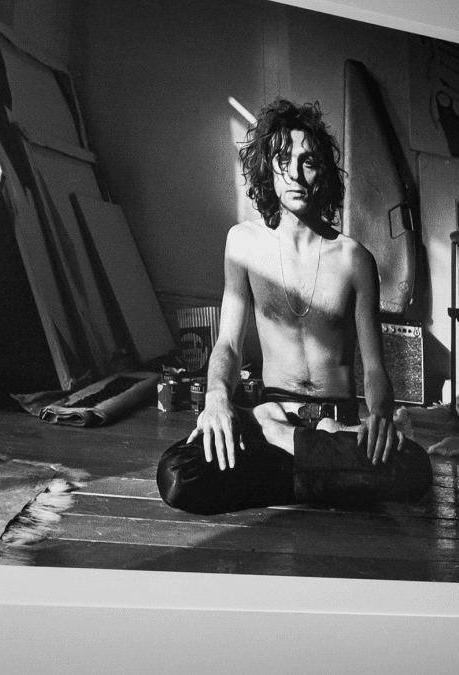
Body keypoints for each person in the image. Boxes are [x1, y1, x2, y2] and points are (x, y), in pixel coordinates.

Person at [157, 99, 432, 515]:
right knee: (178, 474)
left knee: (414, 469)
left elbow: (375, 369)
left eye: (309, 161)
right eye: (284, 160)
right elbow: (228, 344)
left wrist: (378, 415)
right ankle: (326, 476)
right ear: (267, 168)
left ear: (324, 172)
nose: (296, 174)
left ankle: (288, 451)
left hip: (334, 424)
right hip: (278, 415)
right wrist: (216, 399)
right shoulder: (243, 244)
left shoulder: (354, 259)